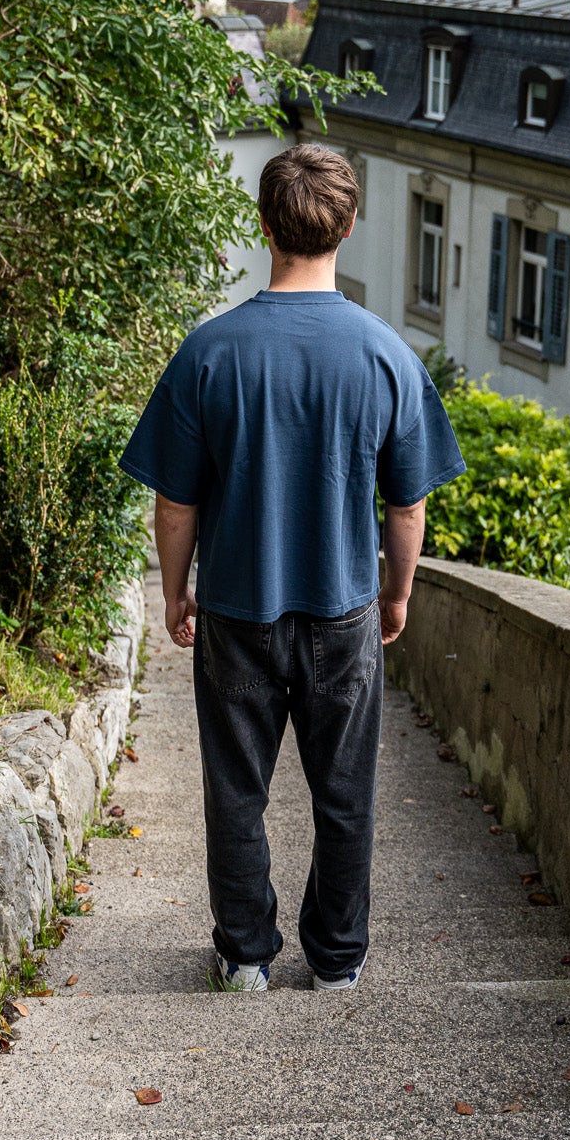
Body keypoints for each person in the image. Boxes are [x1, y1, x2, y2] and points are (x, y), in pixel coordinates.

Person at [119, 143, 465, 993]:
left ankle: (245, 956)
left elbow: (175, 504)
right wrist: (396, 596)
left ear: (264, 225)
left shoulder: (209, 352)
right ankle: (337, 962)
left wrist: (176, 592)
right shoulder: (387, 356)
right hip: (344, 611)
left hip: (237, 611)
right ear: (348, 227)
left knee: (236, 791)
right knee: (344, 795)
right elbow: (407, 508)